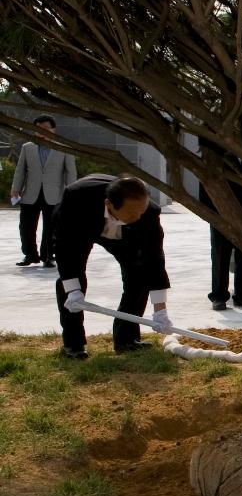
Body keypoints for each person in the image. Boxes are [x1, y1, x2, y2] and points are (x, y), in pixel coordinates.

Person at [53, 174, 173, 359]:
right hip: (82, 227)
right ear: (109, 204)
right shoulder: (76, 198)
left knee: (139, 274)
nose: (138, 216)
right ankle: (74, 344)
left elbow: (154, 259)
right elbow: (65, 249)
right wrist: (73, 289)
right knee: (71, 282)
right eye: (133, 213)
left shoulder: (147, 214)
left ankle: (126, 339)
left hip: (125, 235)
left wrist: (160, 309)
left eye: (141, 211)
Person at [198, 143, 242, 310]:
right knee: (220, 256)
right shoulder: (214, 156)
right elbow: (204, 185)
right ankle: (218, 296)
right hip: (221, 214)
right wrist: (210, 213)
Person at [10, 114, 77, 268]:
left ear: (54, 130)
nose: (42, 131)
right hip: (30, 193)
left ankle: (48, 256)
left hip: (54, 194)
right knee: (26, 226)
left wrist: (72, 192)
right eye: (38, 129)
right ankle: (30, 255)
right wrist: (15, 189)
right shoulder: (27, 147)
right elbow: (20, 170)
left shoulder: (64, 147)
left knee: (51, 227)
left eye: (46, 128)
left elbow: (70, 172)